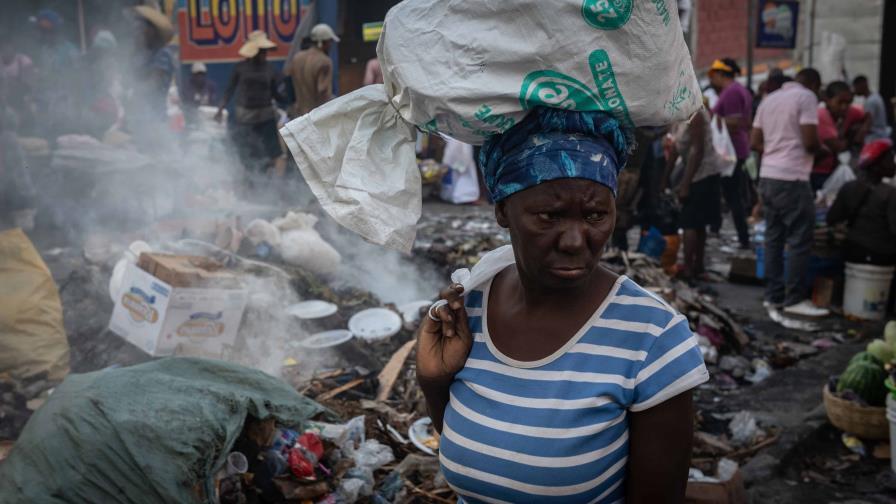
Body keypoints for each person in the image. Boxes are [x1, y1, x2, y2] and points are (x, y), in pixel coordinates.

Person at [418, 107, 708, 503]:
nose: (575, 240)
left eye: (595, 215)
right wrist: (434, 382)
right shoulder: (470, 309)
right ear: (503, 209)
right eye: (549, 216)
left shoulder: (652, 337)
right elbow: (474, 456)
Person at [751, 68, 829, 318]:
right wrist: (823, 149)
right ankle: (794, 298)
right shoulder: (806, 97)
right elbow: (809, 141)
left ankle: (773, 296)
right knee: (798, 239)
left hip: (769, 175)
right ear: (814, 83)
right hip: (792, 176)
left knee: (774, 238)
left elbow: (755, 142)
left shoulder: (769, 99)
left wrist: (775, 149)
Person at [215, 30, 287, 178]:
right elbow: (229, 90)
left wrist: (288, 101)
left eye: (265, 51)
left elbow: (275, 93)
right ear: (254, 51)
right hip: (246, 119)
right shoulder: (240, 68)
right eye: (262, 51)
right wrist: (220, 109)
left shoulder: (270, 69)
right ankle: (247, 185)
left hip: (266, 118)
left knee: (275, 153)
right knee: (246, 154)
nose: (265, 54)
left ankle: (278, 185)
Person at [665, 102, 723, 282]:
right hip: (692, 174)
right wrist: (664, 177)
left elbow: (697, 150)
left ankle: (691, 268)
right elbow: (675, 147)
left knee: (691, 222)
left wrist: (685, 184)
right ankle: (697, 267)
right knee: (698, 223)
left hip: (703, 174)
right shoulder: (678, 115)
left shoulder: (695, 113)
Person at [827, 139, 896, 265]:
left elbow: (832, 218)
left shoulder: (849, 187)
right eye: (890, 159)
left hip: (852, 250)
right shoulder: (890, 194)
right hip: (882, 255)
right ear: (876, 165)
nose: (894, 164)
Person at [709, 58, 752, 249]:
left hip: (731, 151)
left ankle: (743, 237)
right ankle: (720, 229)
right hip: (733, 150)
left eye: (714, 76)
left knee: (733, 195)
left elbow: (734, 123)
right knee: (729, 193)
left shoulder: (733, 92)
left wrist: (710, 123)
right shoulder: (734, 90)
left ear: (721, 75)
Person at [812, 81, 871, 190]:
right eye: (840, 102)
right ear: (828, 100)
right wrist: (851, 137)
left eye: (848, 102)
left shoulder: (850, 112)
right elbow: (837, 146)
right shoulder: (821, 115)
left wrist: (862, 130)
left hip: (835, 169)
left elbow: (867, 116)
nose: (844, 107)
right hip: (819, 172)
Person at [289, 23, 338, 117]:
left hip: (299, 116)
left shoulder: (297, 58)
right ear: (323, 42)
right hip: (316, 117)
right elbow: (323, 90)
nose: (330, 45)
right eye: (330, 41)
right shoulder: (324, 61)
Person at [853, 75, 892, 143]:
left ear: (862, 85)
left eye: (855, 87)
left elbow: (867, 124)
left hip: (875, 137)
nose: (854, 90)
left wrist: (857, 139)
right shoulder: (876, 96)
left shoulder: (871, 101)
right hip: (881, 133)